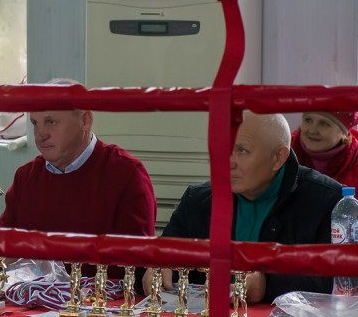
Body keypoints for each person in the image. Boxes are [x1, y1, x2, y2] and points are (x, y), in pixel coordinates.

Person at [146, 111, 343, 304]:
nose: (228, 161)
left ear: (278, 157)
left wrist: (268, 285)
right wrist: (157, 268)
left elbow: (340, 280)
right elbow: (159, 257)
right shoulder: (197, 200)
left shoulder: (327, 200)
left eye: (241, 151)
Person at [0, 80, 156, 243]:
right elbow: (4, 248)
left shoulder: (126, 174)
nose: (40, 135)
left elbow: (135, 256)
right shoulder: (25, 177)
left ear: (85, 121)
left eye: (51, 122)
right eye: (35, 123)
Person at [291, 110, 358, 220]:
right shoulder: (282, 153)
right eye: (308, 120)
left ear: (343, 132)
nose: (312, 130)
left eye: (324, 123)